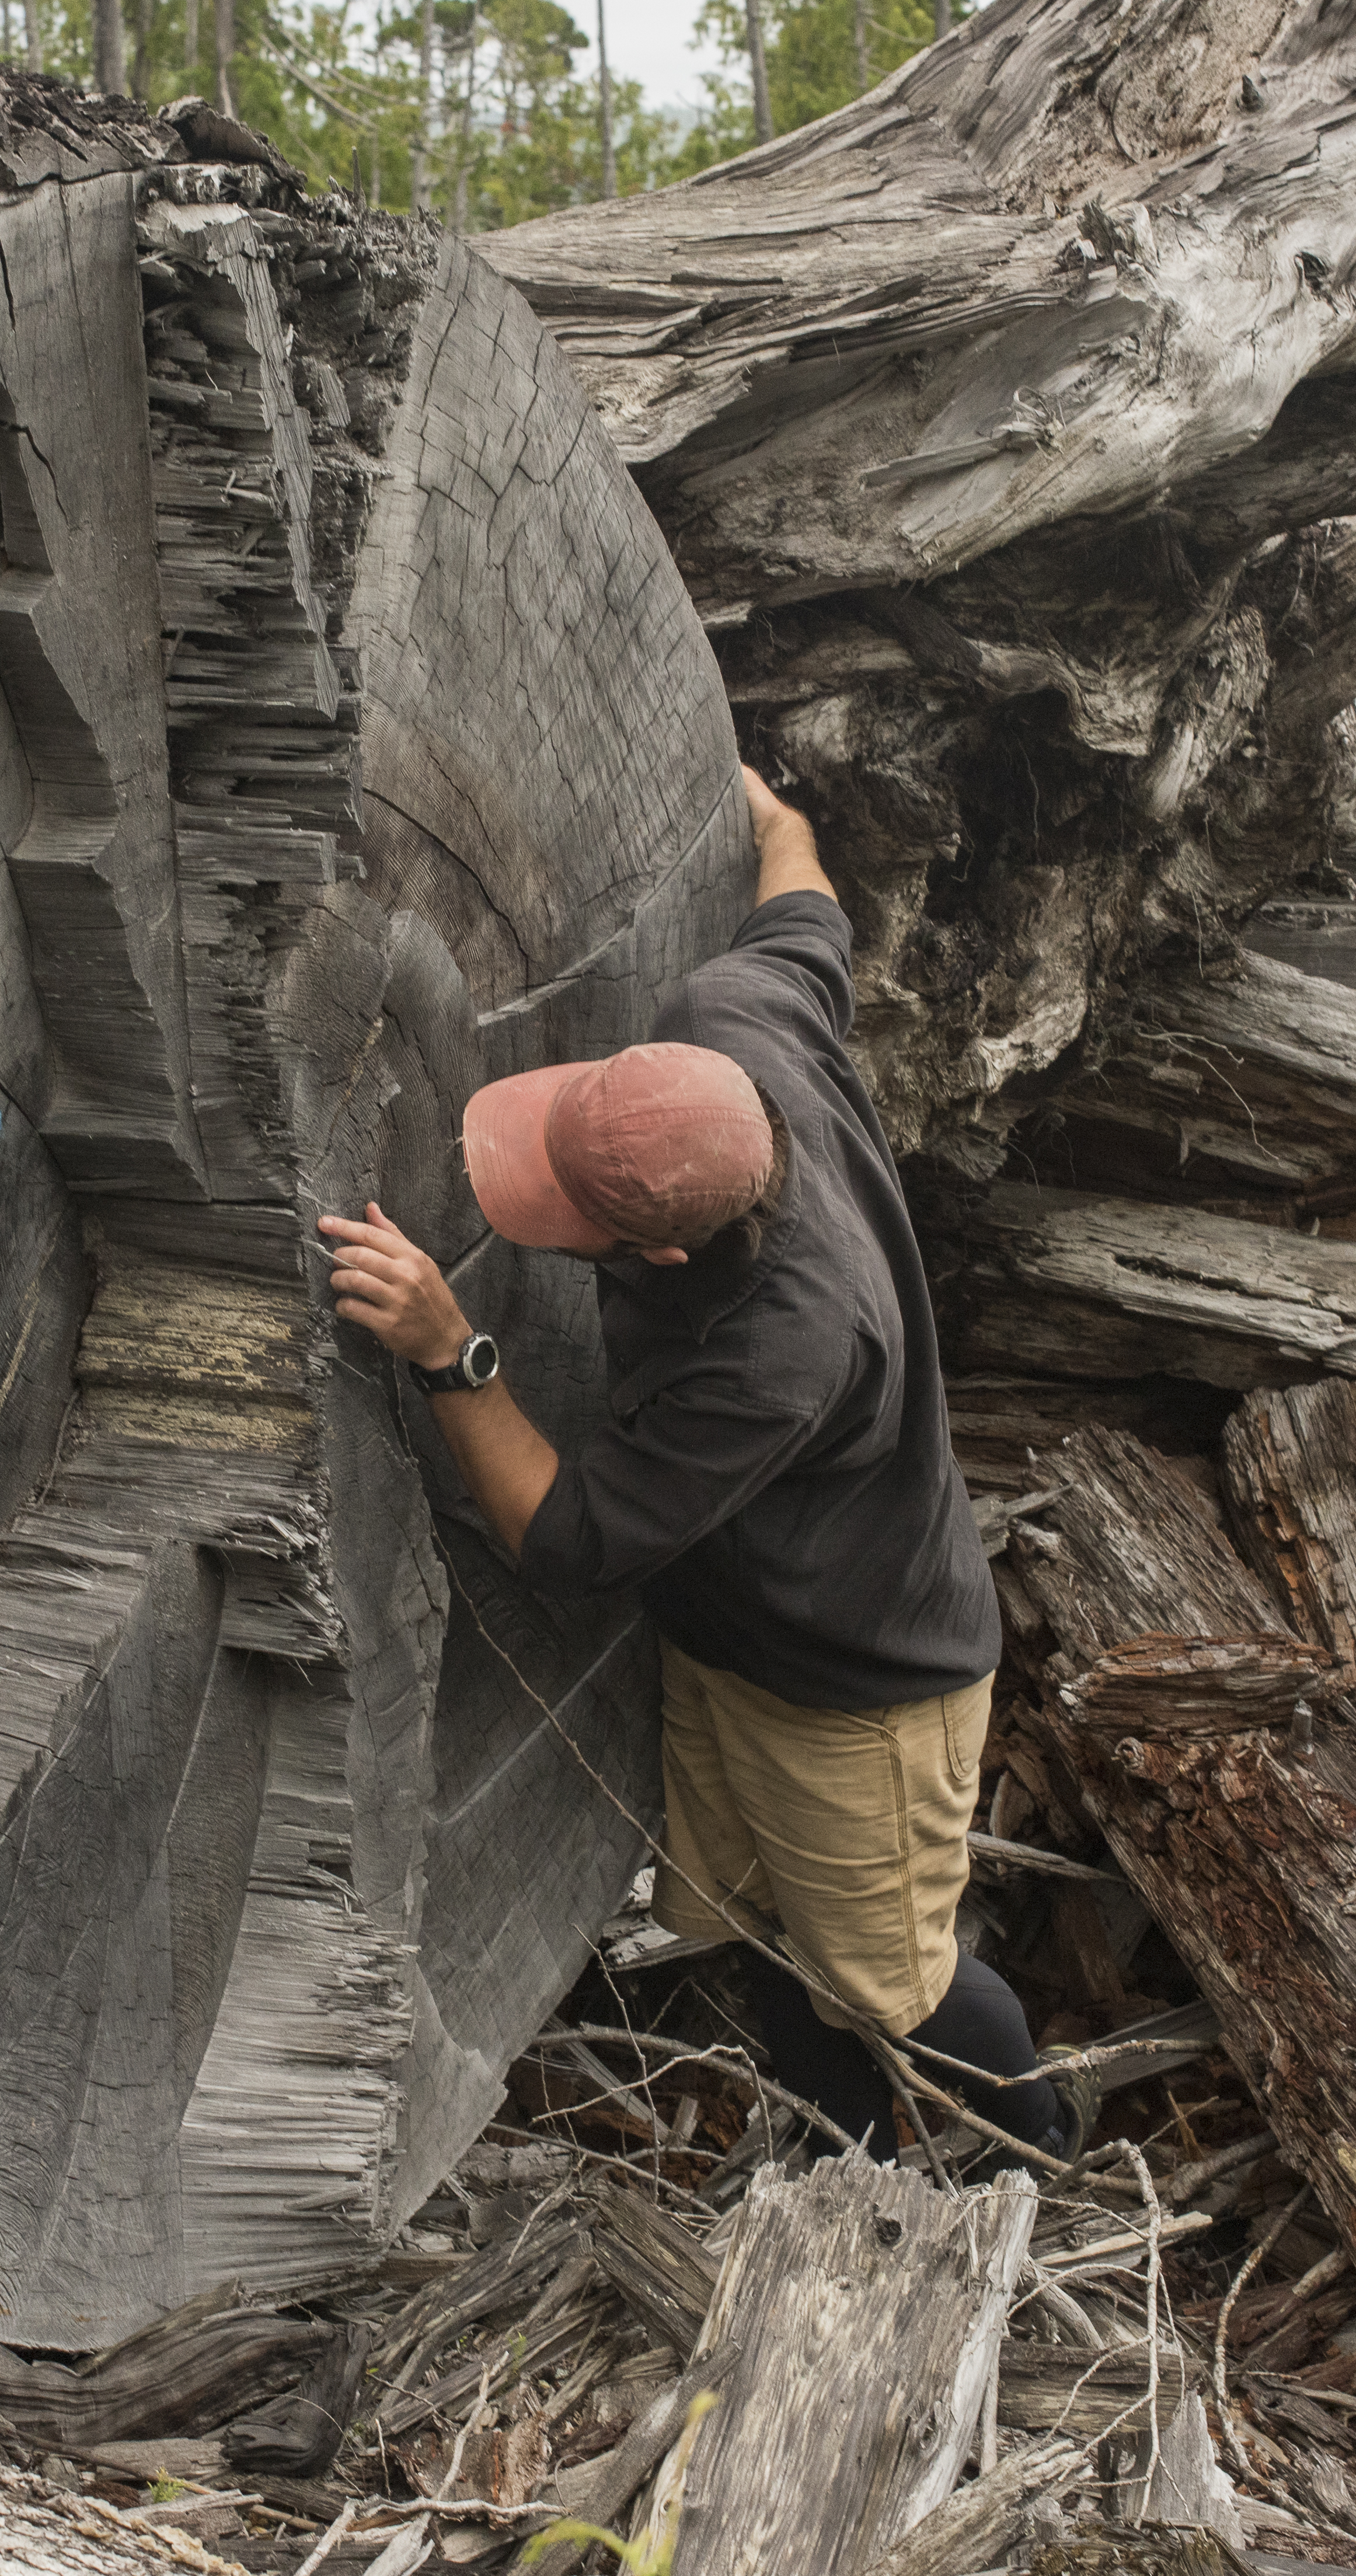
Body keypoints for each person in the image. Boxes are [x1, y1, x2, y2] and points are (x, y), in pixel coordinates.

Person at [318, 766, 1065, 2169]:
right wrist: (762, 802)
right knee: (732, 1911)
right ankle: (831, 2152)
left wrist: (449, 1348)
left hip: (859, 1683)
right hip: (733, 1634)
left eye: (558, 1206)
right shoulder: (733, 1030)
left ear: (660, 1253)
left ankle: (1042, 2153)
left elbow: (565, 1535)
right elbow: (802, 893)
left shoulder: (779, 1348)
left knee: (887, 1976)